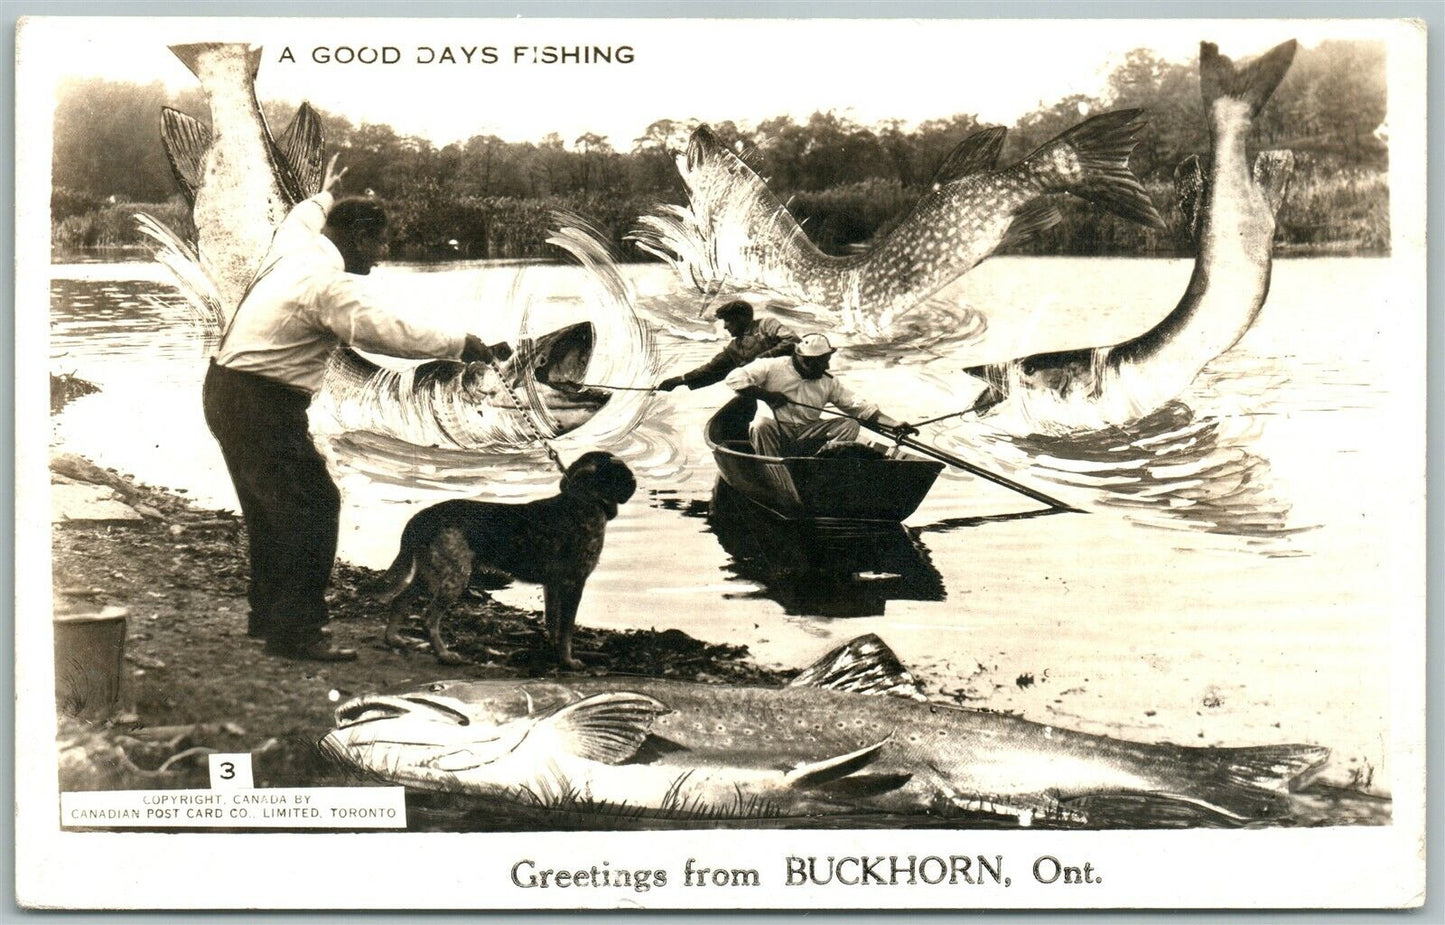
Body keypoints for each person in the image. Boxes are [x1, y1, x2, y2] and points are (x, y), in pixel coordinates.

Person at [202, 155, 510, 661]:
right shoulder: (331, 286)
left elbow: (301, 216)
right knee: (313, 506)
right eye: (380, 242)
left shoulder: (297, 247)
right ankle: (298, 633)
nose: (382, 255)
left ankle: (271, 619)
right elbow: (386, 332)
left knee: (270, 509)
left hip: (225, 389)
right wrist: (462, 344)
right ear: (359, 237)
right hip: (261, 401)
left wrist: (327, 193)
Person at [723, 333, 917, 457]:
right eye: (824, 361)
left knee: (850, 424)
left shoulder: (828, 381)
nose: (827, 366)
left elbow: (858, 407)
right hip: (777, 431)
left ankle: (820, 463)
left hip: (807, 432)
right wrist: (767, 396)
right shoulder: (771, 366)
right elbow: (733, 378)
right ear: (807, 361)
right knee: (760, 425)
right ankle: (773, 469)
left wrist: (893, 424)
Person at [656, 300, 800, 391]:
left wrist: (761, 359)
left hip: (796, 383)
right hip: (771, 390)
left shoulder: (766, 325)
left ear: (741, 319)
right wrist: (680, 380)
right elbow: (712, 370)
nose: (725, 326)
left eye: (728, 321)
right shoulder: (734, 348)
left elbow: (792, 341)